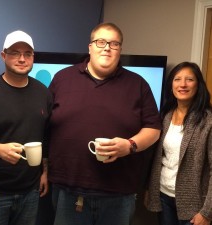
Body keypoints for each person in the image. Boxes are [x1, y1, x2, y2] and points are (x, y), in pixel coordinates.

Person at [47, 22, 161, 225]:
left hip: (119, 194)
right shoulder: (62, 78)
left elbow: (153, 128)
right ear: (90, 47)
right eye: (101, 42)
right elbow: (45, 126)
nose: (107, 47)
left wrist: (130, 145)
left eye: (114, 43)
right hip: (68, 191)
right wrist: (44, 169)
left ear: (120, 50)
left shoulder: (138, 84)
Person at [0, 30, 52, 225]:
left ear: (33, 57)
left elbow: (46, 136)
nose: (22, 59)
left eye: (27, 54)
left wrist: (45, 172)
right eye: (15, 53)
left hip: (30, 191)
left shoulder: (43, 93)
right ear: (3, 55)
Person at [145, 62, 212, 225]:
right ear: (171, 85)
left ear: (198, 85)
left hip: (194, 205)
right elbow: (156, 158)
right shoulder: (165, 116)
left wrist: (207, 212)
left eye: (189, 79)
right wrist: (149, 189)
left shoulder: (208, 121)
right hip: (163, 197)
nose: (182, 84)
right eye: (177, 79)